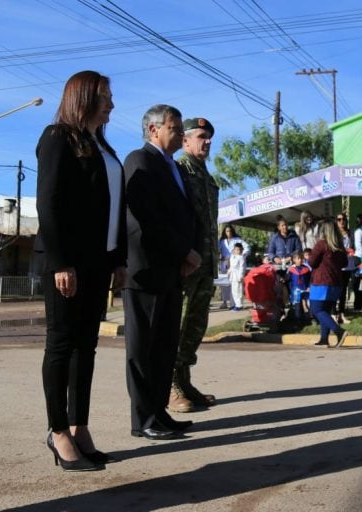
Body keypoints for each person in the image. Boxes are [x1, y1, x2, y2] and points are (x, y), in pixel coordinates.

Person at [36, 70, 126, 471]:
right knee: (61, 345)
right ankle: (57, 432)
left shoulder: (102, 147)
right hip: (67, 264)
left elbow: (115, 209)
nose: (110, 103)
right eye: (105, 96)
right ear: (83, 97)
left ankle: (79, 427)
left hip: (99, 262)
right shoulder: (57, 138)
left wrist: (119, 259)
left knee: (85, 348)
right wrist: (61, 262)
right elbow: (49, 204)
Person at [123, 104, 200, 441]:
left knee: (165, 347)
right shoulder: (140, 161)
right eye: (175, 125)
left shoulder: (174, 167)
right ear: (153, 130)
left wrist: (189, 252)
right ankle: (143, 419)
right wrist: (183, 250)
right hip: (147, 271)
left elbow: (187, 214)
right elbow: (148, 218)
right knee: (143, 349)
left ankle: (159, 413)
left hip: (172, 270)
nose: (180, 131)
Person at [170, 116, 219, 414]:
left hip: (207, 264)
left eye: (210, 136)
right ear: (185, 140)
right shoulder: (178, 170)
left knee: (195, 326)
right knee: (178, 325)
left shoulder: (206, 176)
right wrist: (182, 253)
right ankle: (169, 384)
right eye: (202, 135)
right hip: (187, 264)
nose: (208, 141)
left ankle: (185, 380)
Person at [308, 220, 349, 347]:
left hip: (321, 282)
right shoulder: (339, 246)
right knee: (325, 310)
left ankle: (338, 331)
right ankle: (324, 338)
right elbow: (345, 263)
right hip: (336, 283)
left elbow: (312, 262)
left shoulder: (321, 244)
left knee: (316, 310)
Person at [218, 225, 247, 309]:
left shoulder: (237, 240)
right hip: (224, 262)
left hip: (235, 262)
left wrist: (241, 255)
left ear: (232, 231)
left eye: (230, 231)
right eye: (227, 231)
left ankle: (234, 303)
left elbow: (247, 247)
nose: (228, 233)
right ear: (224, 232)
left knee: (235, 285)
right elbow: (216, 249)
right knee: (225, 283)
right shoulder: (221, 241)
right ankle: (224, 302)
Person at [287, 250, 311, 323]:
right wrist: (283, 279)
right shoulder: (291, 269)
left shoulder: (306, 269)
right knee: (297, 305)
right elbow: (288, 278)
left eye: (301, 258)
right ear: (294, 260)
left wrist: (309, 287)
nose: (300, 260)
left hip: (304, 289)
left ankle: (307, 318)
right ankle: (297, 320)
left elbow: (310, 279)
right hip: (295, 290)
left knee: (305, 304)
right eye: (298, 258)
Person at [227, 243, 246, 311]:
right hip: (232, 275)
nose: (238, 251)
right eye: (237, 249)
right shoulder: (232, 257)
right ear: (234, 250)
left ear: (242, 250)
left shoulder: (241, 258)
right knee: (233, 291)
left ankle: (239, 305)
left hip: (238, 276)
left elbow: (242, 268)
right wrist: (229, 271)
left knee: (238, 291)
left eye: (240, 250)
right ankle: (233, 304)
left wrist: (241, 276)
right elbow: (231, 266)